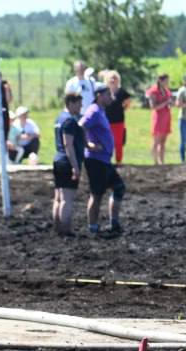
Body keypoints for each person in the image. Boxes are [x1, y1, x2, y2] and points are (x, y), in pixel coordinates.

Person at [80, 87, 126, 235]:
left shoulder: (100, 111)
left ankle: (114, 223)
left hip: (104, 160)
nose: (111, 97)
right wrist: (88, 145)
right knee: (97, 194)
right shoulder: (93, 110)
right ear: (99, 96)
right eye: (108, 95)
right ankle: (93, 228)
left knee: (118, 187)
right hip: (95, 160)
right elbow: (81, 126)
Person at [53, 93, 86, 235]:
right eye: (78, 104)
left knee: (58, 197)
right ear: (70, 104)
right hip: (67, 162)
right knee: (67, 198)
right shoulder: (69, 121)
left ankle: (57, 227)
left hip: (58, 160)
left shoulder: (59, 118)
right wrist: (75, 166)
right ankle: (65, 229)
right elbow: (68, 145)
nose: (81, 107)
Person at [102, 71, 131, 164]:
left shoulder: (121, 91)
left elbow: (128, 102)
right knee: (107, 141)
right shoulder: (104, 91)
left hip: (119, 120)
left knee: (118, 142)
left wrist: (123, 108)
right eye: (111, 78)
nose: (113, 80)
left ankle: (119, 161)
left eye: (115, 78)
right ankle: (107, 160)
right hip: (106, 120)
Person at [148, 73, 173, 165]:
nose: (167, 83)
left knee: (163, 141)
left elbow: (169, 101)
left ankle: (162, 161)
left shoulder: (166, 91)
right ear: (160, 81)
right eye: (166, 81)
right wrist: (166, 102)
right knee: (156, 141)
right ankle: (155, 161)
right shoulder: (154, 91)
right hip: (158, 118)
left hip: (166, 117)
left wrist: (170, 103)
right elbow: (153, 106)